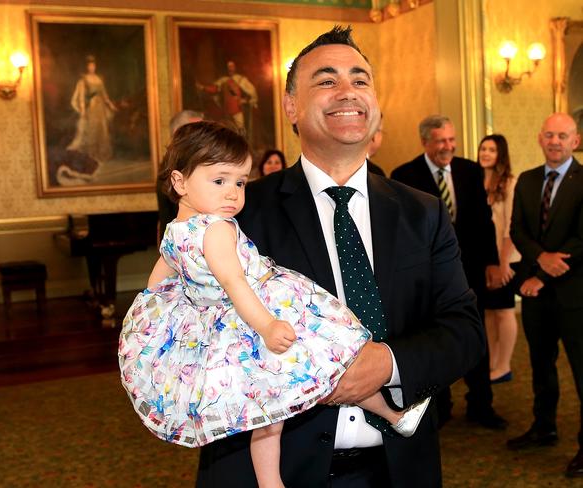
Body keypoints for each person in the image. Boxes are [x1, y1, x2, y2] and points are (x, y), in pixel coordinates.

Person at [197, 26, 485, 487]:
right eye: (327, 80)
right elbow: (196, 338)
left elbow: (464, 329)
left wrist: (387, 363)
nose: (347, 91)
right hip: (270, 469)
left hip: (397, 471)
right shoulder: (239, 214)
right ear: (291, 105)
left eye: (360, 79)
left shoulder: (422, 212)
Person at [119, 121, 431, 488]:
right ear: (179, 182)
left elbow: (157, 284)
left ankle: (273, 481)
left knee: (267, 411)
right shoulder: (216, 230)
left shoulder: (174, 231)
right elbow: (235, 284)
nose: (233, 194)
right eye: (219, 181)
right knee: (330, 358)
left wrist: (148, 324)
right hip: (257, 314)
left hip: (223, 327)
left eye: (240, 182)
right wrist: (268, 326)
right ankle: (393, 417)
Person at [391, 115, 507, 431]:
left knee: (474, 335)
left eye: (452, 139)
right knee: (433, 341)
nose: (448, 146)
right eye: (442, 141)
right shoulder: (404, 175)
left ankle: (481, 404)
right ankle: (439, 408)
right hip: (427, 278)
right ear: (425, 141)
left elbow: (485, 222)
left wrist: (493, 262)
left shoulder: (470, 171)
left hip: (469, 273)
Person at [507, 113, 583, 478]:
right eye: (549, 134)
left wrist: (545, 273)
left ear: (576, 141)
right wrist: (539, 263)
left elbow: (582, 239)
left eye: (563, 136)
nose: (555, 141)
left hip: (575, 293)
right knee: (540, 364)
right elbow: (517, 230)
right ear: (540, 138)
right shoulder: (527, 179)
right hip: (534, 291)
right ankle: (544, 427)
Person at [477, 134, 520, 384]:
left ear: (500, 154)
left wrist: (503, 264)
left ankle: (504, 366)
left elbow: (510, 229)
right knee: (489, 314)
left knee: (504, 312)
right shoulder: (476, 182)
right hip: (485, 259)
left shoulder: (510, 184)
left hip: (506, 259)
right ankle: (492, 364)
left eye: (491, 150)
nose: (485, 153)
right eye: (483, 148)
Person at [156, 110, 204, 242]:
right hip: (184, 244)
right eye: (198, 131)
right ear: (179, 133)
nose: (205, 136)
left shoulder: (185, 161)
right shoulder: (174, 165)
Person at [67, 55, 117, 163]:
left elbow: (104, 95)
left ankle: (102, 154)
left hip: (100, 109)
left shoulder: (99, 79)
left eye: (93, 65)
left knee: (102, 130)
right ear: (87, 67)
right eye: (89, 66)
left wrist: (110, 105)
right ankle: (91, 155)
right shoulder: (84, 79)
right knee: (92, 129)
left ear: (95, 66)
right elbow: (81, 97)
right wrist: (83, 110)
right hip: (91, 107)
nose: (92, 67)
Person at [197, 60, 258, 140]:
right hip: (226, 111)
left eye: (232, 66)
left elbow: (252, 93)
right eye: (229, 67)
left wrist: (244, 101)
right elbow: (214, 89)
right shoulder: (223, 80)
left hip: (238, 110)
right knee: (228, 133)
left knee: (241, 132)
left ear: (235, 68)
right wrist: (203, 87)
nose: (230, 68)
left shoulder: (240, 79)